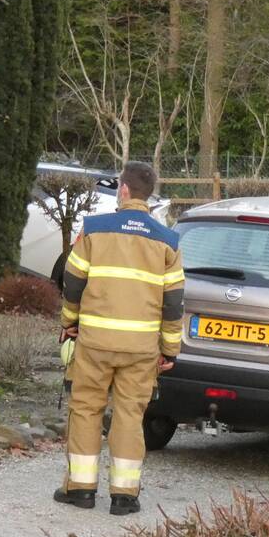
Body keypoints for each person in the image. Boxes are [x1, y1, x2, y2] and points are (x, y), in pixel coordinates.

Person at [53, 161, 184, 515]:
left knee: (85, 410)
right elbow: (173, 304)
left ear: (123, 190)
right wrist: (170, 348)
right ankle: (124, 496)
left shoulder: (94, 230)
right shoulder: (168, 241)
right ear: (149, 194)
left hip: (94, 342)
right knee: (129, 415)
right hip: (140, 350)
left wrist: (70, 322)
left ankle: (80, 489)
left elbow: (73, 281)